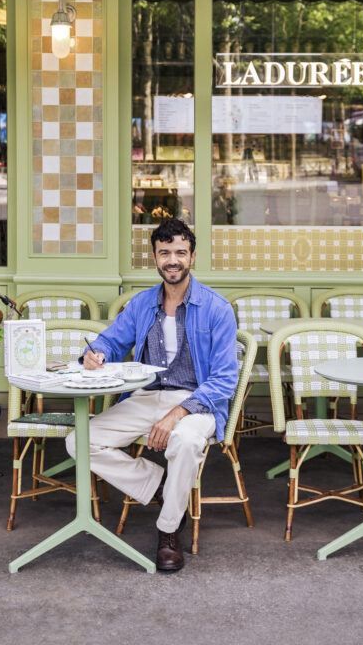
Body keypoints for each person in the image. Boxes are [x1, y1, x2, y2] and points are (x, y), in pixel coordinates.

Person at [65, 218, 238, 572]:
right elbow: (111, 340)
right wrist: (95, 353)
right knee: (78, 442)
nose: (172, 260)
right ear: (155, 258)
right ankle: (159, 485)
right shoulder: (143, 303)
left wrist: (177, 414)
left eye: (179, 252)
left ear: (192, 256)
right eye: (164, 253)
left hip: (196, 403)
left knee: (186, 444)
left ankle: (168, 531)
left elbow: (223, 380)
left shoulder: (217, 308)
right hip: (147, 397)